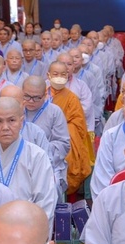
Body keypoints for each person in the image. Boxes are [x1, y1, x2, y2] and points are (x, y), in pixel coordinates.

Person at [0, 97, 57, 224]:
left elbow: (46, 203)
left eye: (11, 120)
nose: (5, 127)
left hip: (26, 228)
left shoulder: (37, 156)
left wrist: (31, 232)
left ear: (21, 122)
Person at [46, 61, 92, 195]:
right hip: (43, 135)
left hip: (64, 136)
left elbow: (79, 124)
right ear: (48, 75)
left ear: (67, 76)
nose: (59, 77)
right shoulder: (41, 94)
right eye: (55, 74)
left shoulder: (71, 98)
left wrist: (59, 127)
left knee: (69, 158)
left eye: (63, 74)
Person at [22, 76, 70, 196]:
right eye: (27, 96)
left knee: (49, 188)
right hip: (18, 161)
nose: (31, 101)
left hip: (48, 162)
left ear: (45, 95)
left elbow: (63, 144)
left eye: (36, 98)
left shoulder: (54, 112)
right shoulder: (17, 109)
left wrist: (40, 154)